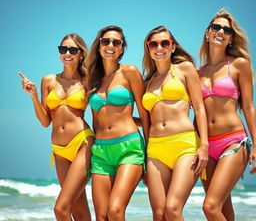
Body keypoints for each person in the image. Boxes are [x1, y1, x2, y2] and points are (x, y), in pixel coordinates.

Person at [18, 33, 94, 221]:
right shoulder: (48, 80)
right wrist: (34, 96)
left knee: (60, 209)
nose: (67, 53)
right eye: (63, 49)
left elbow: (103, 110)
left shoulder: (88, 81)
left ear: (81, 54)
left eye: (72, 50)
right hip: (59, 150)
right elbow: (45, 121)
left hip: (82, 144)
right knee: (79, 211)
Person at [142, 26, 208, 221]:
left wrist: (204, 145)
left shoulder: (185, 68)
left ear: (172, 46)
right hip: (155, 150)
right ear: (148, 48)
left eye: (165, 43)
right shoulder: (147, 81)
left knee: (172, 209)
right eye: (153, 44)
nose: (159, 47)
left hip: (184, 145)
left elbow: (199, 108)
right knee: (159, 214)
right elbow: (146, 119)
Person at [87, 25, 149, 221]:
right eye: (106, 41)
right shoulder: (92, 79)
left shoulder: (129, 72)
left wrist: (149, 155)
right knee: (101, 216)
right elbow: (95, 120)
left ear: (122, 48)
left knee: (115, 211)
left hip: (129, 148)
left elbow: (145, 116)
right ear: (99, 46)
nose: (110, 45)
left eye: (116, 42)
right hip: (101, 152)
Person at [198, 9, 255, 221]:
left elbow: (249, 107)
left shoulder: (239, 65)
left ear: (231, 38)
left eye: (226, 29)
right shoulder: (197, 73)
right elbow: (196, 112)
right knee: (223, 210)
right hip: (206, 146)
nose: (221, 31)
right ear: (208, 33)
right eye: (216, 27)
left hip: (233, 142)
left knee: (210, 207)